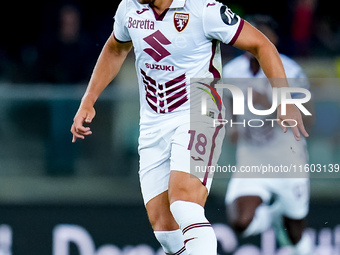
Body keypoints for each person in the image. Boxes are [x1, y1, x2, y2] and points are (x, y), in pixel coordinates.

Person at [71, 1, 309, 254]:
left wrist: (283, 100)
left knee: (184, 203)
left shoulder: (204, 9)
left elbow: (261, 44)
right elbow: (116, 48)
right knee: (165, 230)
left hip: (200, 113)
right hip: (153, 121)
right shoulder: (128, 8)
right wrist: (88, 100)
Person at [223, 15, 314, 255]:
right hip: (251, 159)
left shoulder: (290, 70)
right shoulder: (232, 70)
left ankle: (280, 220)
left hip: (287, 159)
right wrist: (231, 126)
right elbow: (228, 103)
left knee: (294, 234)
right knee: (240, 223)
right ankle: (271, 215)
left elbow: (309, 118)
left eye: (263, 34)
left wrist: (274, 106)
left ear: (273, 39)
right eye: (251, 33)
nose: (256, 40)